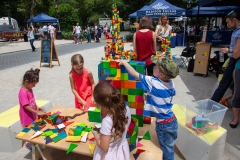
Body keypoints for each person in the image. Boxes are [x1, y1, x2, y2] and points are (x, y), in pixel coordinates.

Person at [119, 55, 179, 160]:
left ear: (161, 74)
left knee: (167, 151)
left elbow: (133, 73)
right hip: (172, 121)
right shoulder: (171, 83)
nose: (153, 67)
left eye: (156, 66)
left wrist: (124, 62)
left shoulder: (153, 82)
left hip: (163, 125)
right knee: (169, 146)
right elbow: (161, 96)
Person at [92, 82, 131, 160]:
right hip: (122, 150)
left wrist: (96, 136)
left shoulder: (107, 121)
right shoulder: (126, 108)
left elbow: (104, 147)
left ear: (101, 104)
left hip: (110, 155)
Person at [211, 10, 240, 111]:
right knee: (228, 84)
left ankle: (212, 103)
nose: (228, 24)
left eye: (228, 22)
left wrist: (229, 50)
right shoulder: (236, 30)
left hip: (235, 61)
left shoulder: (239, 31)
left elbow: (237, 51)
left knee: (224, 83)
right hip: (233, 59)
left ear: (234, 20)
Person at [19, 68, 46, 150]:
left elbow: (32, 102)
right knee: (30, 132)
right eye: (33, 84)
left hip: (32, 115)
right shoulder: (23, 92)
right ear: (26, 81)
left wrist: (37, 107)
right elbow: (26, 105)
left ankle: (33, 143)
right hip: (26, 117)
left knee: (35, 130)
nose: (34, 86)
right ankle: (28, 143)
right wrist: (36, 112)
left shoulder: (30, 89)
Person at [229, 10, 240, 128]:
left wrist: (230, 51)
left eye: (228, 22)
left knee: (237, 93)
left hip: (238, 66)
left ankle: (235, 119)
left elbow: (236, 54)